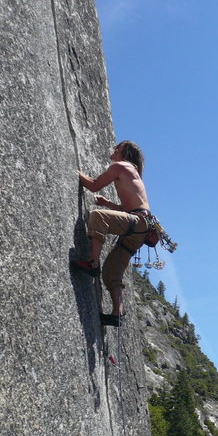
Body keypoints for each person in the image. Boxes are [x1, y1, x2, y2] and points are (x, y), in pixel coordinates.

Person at [72, 140, 151, 326]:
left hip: (137, 222)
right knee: (111, 272)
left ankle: (92, 262)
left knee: (98, 217)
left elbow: (92, 185)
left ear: (125, 153)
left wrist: (73, 172)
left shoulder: (121, 166)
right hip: (141, 228)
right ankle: (117, 313)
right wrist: (108, 203)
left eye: (119, 147)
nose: (114, 149)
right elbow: (128, 208)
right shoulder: (132, 173)